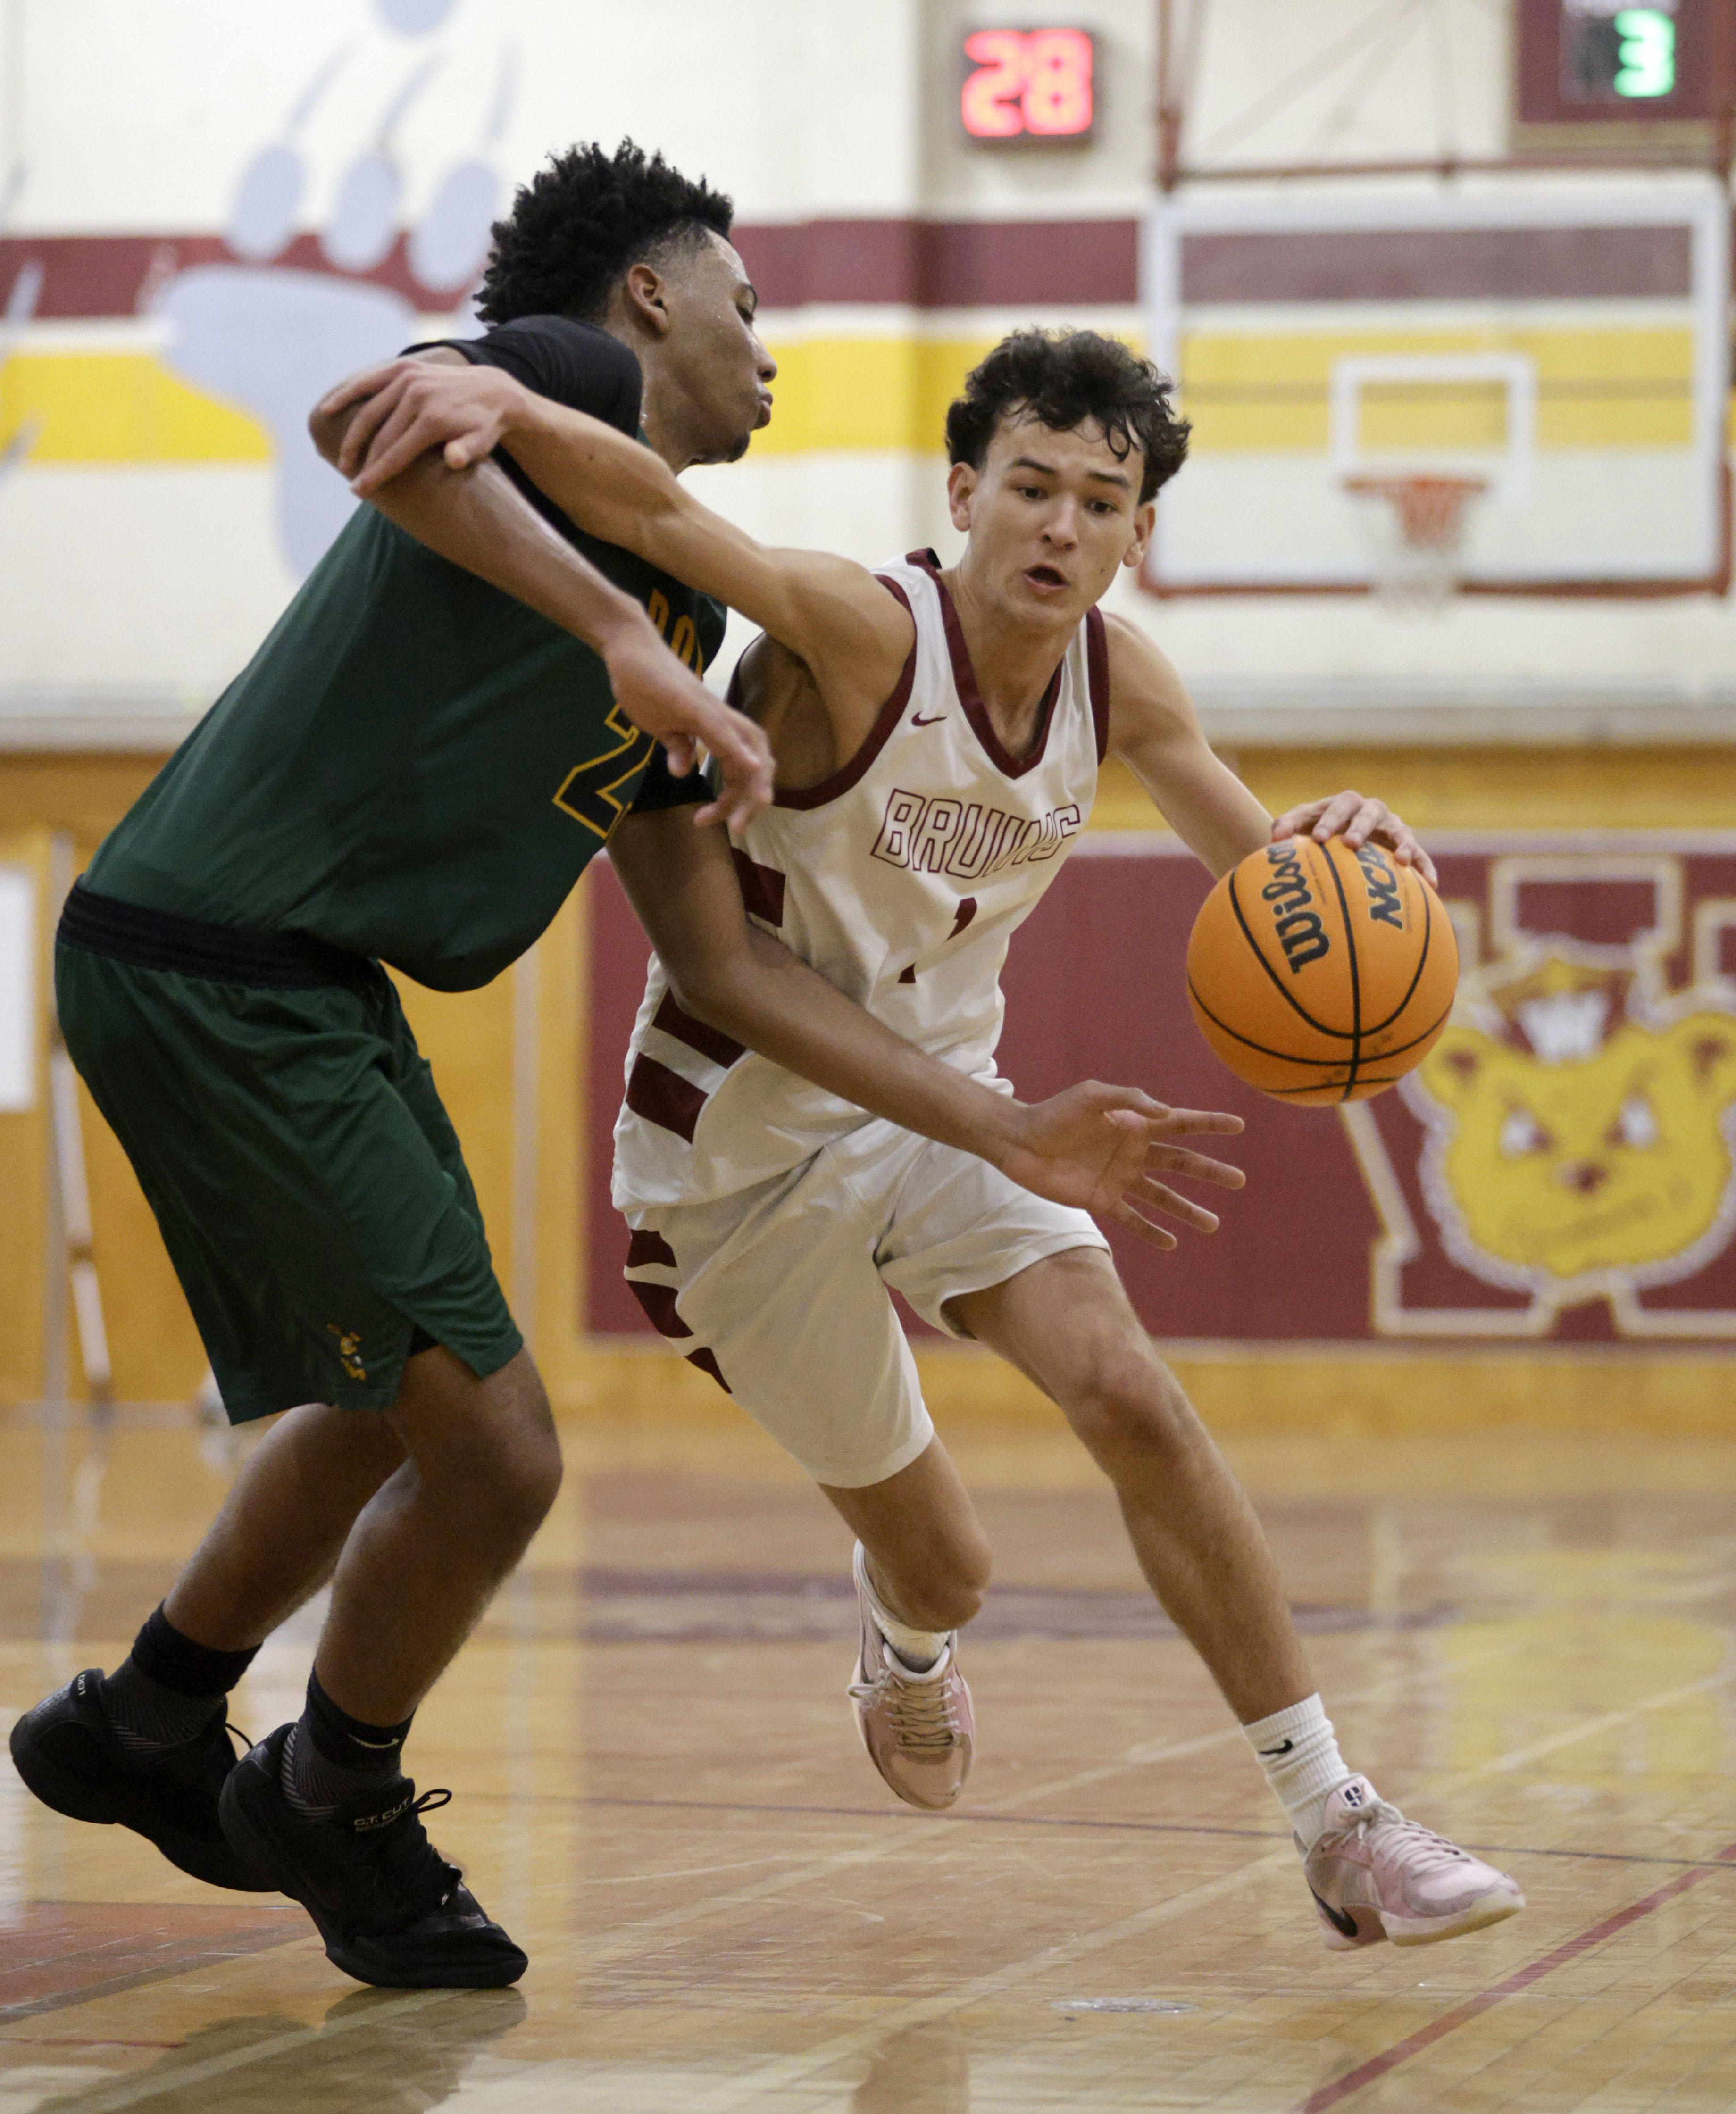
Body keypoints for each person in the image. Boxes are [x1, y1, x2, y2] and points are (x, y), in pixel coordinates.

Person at [8, 147, 1235, 1992]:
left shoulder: (686, 613)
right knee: (497, 1459)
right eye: (747, 308)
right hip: (222, 964)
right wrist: (598, 626)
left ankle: (148, 1715)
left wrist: (654, 674)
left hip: (312, 981)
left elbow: (718, 952)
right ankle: (330, 1790)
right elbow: (373, 418)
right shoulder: (561, 385)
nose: (770, 356)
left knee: (384, 1409)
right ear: (650, 299)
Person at [328, 320, 1527, 1951]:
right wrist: (510, 401)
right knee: (952, 1565)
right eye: (1029, 486)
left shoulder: (1123, 677)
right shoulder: (861, 633)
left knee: (1133, 1395)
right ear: (963, 489)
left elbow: (1281, 895)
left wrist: (1348, 853)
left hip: (959, 1113)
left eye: (1101, 502)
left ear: (1138, 532)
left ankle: (1340, 1819)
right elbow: (680, 532)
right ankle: (905, 1635)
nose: (1061, 527)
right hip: (741, 1167)